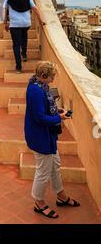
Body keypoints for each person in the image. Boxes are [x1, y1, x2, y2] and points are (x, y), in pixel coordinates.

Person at [25, 61, 80, 219]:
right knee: (43, 171)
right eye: (52, 76)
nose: (53, 79)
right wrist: (59, 117)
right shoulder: (36, 91)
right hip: (40, 136)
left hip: (46, 135)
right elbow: (40, 117)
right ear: (43, 76)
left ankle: (60, 195)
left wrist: (57, 111)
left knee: (55, 165)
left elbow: (45, 109)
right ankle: (39, 202)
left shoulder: (40, 86)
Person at [4, 0, 45, 73]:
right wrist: (41, 20)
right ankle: (24, 54)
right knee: (24, 37)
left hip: (14, 24)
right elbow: (35, 8)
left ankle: (19, 67)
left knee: (16, 45)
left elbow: (5, 9)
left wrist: (5, 22)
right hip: (26, 23)